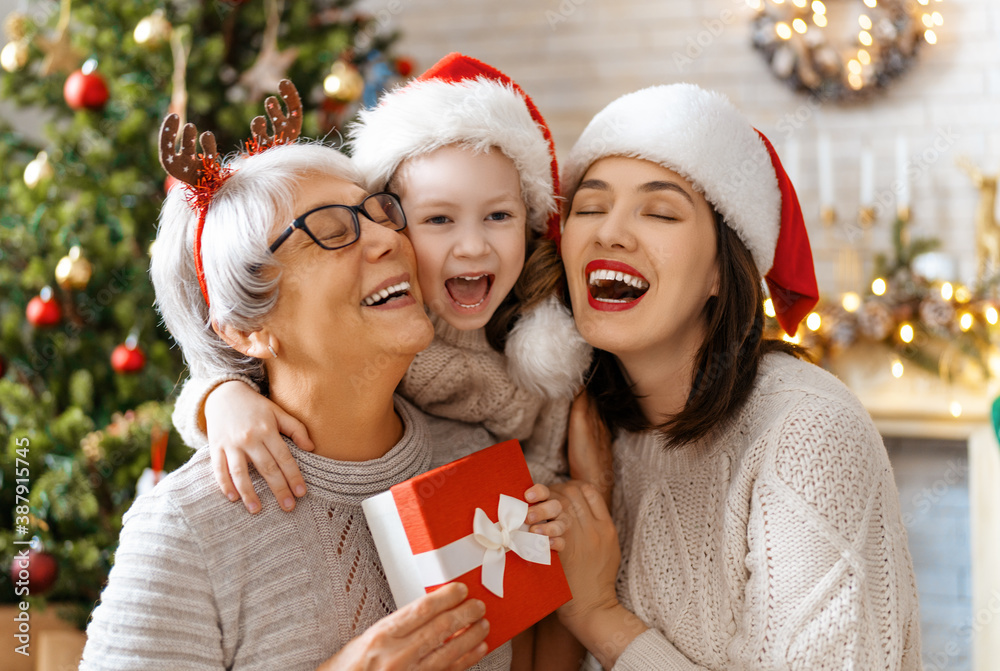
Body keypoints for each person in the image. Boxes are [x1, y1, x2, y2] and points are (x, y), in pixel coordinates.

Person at [80, 85, 565, 670]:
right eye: (332, 229)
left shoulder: (475, 457)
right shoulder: (186, 530)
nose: (390, 238)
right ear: (246, 328)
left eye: (379, 212)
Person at [548, 84, 922, 670]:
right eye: (589, 207)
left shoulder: (806, 434)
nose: (608, 232)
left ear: (723, 270)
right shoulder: (585, 429)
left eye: (660, 211)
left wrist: (599, 615)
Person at [171, 53, 592, 514]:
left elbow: (549, 469)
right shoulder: (377, 327)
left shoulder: (549, 336)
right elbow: (262, 350)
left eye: (499, 215)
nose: (472, 246)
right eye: (437, 219)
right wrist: (220, 399)